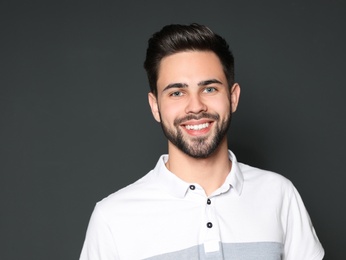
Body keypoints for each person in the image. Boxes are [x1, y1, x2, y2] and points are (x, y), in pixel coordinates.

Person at [80, 23, 324, 260]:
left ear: (233, 97)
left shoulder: (279, 194)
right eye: (177, 93)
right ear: (155, 106)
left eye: (209, 89)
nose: (195, 107)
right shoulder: (112, 218)